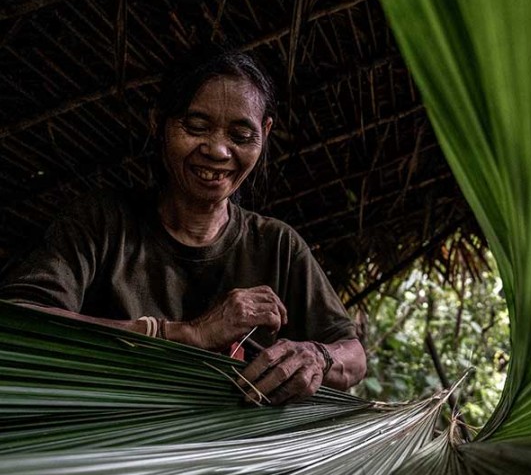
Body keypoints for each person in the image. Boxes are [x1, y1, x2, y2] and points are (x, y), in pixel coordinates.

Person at [0, 45, 366, 404]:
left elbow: (353, 355)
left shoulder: (278, 245)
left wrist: (318, 357)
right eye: (196, 126)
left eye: (240, 136)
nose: (218, 151)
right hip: (108, 446)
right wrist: (186, 334)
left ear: (265, 133)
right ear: (158, 122)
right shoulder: (102, 221)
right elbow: (19, 324)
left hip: (231, 456)